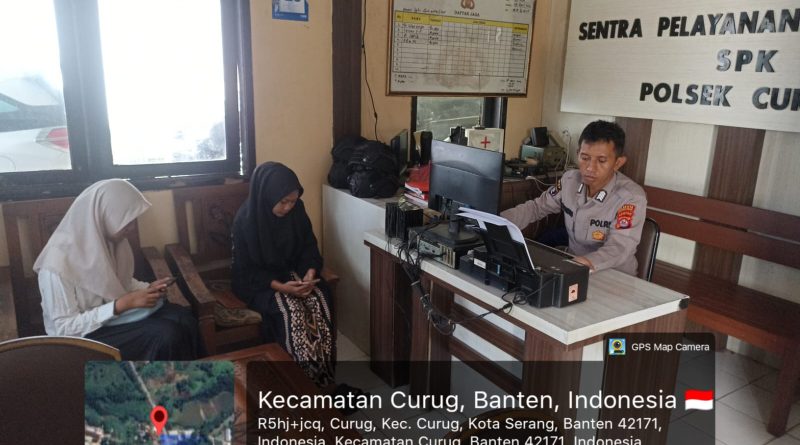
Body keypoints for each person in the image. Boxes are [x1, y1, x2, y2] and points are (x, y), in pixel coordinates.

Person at [34, 179, 205, 360]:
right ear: (103, 215)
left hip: (111, 319)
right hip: (82, 339)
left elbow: (120, 282)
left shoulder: (109, 243)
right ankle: (169, 379)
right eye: (126, 220)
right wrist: (119, 306)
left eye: (133, 220)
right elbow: (63, 329)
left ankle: (203, 377)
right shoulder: (56, 264)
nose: (131, 228)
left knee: (183, 318)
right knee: (165, 334)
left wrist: (147, 289)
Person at [231, 162, 335, 387]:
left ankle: (323, 380)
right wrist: (282, 287)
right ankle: (297, 382)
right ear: (268, 197)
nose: (288, 207)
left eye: (293, 201)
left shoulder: (297, 211)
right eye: (283, 201)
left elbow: (308, 246)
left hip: (292, 272)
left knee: (319, 300)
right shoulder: (246, 221)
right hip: (260, 282)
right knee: (291, 310)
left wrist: (309, 274)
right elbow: (245, 271)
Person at [501, 120, 647, 275]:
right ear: (577, 154)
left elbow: (620, 247)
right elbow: (536, 208)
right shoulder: (569, 180)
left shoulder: (631, 197)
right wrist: (497, 222)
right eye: (585, 158)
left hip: (613, 275)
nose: (590, 168)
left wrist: (585, 263)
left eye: (601, 161)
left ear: (618, 163)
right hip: (573, 268)